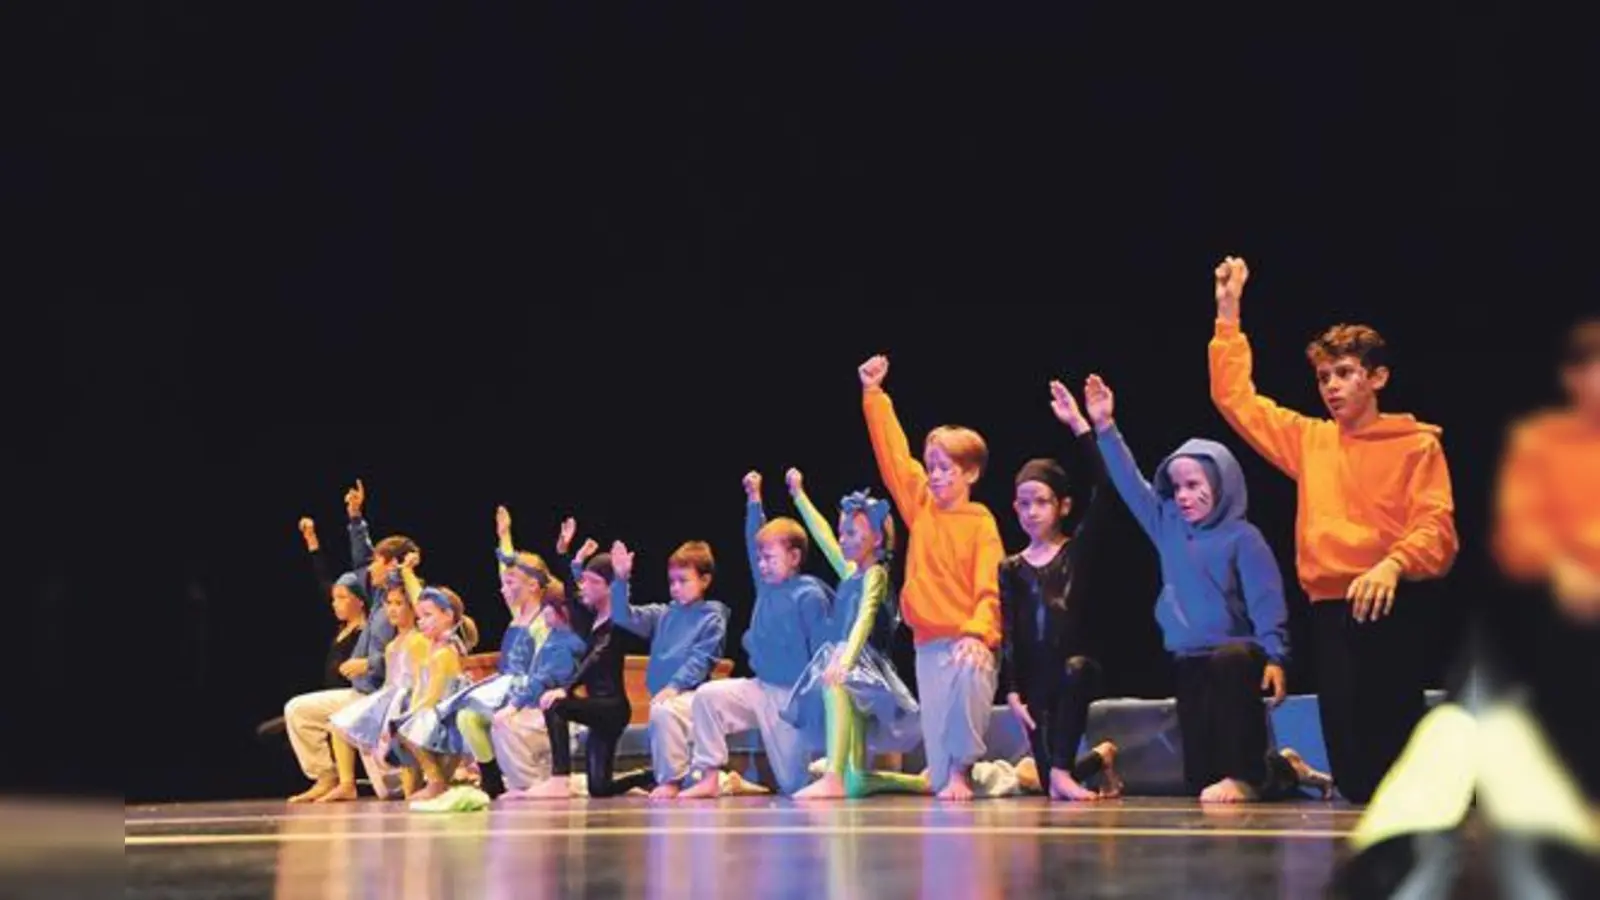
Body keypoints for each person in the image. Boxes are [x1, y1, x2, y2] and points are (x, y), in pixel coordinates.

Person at [1208, 256, 1457, 802]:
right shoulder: (1311, 440)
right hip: (1330, 608)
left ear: (1377, 378)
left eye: (1344, 374)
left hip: (1394, 604)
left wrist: (1392, 564)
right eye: (1323, 377)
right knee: (1352, 773)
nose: (1331, 387)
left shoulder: (1416, 445)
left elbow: (1436, 527)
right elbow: (1236, 401)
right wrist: (1229, 314)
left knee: (1393, 764)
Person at [1086, 373, 1326, 802]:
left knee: (1230, 675)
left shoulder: (1243, 537)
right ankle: (1284, 769)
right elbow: (1130, 483)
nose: (1182, 496)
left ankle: (1249, 777)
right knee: (1199, 780)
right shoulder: (1168, 528)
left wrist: (1275, 657)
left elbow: (1267, 600)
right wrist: (1106, 428)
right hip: (1189, 657)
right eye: (1177, 487)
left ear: (1220, 486)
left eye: (1194, 485)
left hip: (1237, 658)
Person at [858, 354, 1006, 801]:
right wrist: (873, 395)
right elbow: (894, 459)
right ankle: (1006, 774)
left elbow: (990, 590)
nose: (935, 475)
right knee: (939, 780)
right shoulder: (921, 507)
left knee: (967, 682)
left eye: (946, 468)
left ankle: (965, 770)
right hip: (927, 645)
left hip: (968, 644)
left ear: (971, 473)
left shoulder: (981, 522)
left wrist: (978, 635)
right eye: (933, 466)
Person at [1000, 381, 1122, 801]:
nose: (1032, 512)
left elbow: (1107, 489)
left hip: (1073, 672)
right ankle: (1099, 759)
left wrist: (1080, 427)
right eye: (1024, 503)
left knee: (1077, 668)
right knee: (1046, 782)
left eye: (1042, 502)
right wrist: (1012, 692)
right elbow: (1010, 632)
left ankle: (1069, 770)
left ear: (1063, 506)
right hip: (1035, 684)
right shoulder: (1011, 568)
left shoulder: (1077, 551)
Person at [676, 473, 832, 799]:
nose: (761, 564)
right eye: (760, 558)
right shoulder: (765, 586)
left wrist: (814, 704)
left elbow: (823, 654)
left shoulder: (810, 594)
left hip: (793, 699)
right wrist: (754, 499)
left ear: (794, 557)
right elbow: (752, 539)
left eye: (769, 558)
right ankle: (709, 776)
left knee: (795, 785)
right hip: (760, 688)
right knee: (708, 697)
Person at [783, 469, 925, 799]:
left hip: (866, 667)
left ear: (876, 539)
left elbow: (864, 618)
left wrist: (845, 661)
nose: (843, 539)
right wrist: (799, 497)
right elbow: (823, 539)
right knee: (857, 781)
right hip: (850, 662)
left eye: (851, 533)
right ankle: (921, 783)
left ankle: (832, 776)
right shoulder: (850, 573)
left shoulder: (875, 574)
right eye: (842, 533)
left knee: (835, 684)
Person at [605, 534, 730, 800]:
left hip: (695, 698)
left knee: (662, 710)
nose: (675, 587)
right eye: (672, 581)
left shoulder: (712, 615)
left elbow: (701, 658)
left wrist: (675, 686)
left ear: (704, 580)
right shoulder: (664, 614)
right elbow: (622, 616)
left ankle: (671, 780)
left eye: (683, 581)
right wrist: (621, 580)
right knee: (662, 710)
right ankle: (692, 779)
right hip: (668, 697)